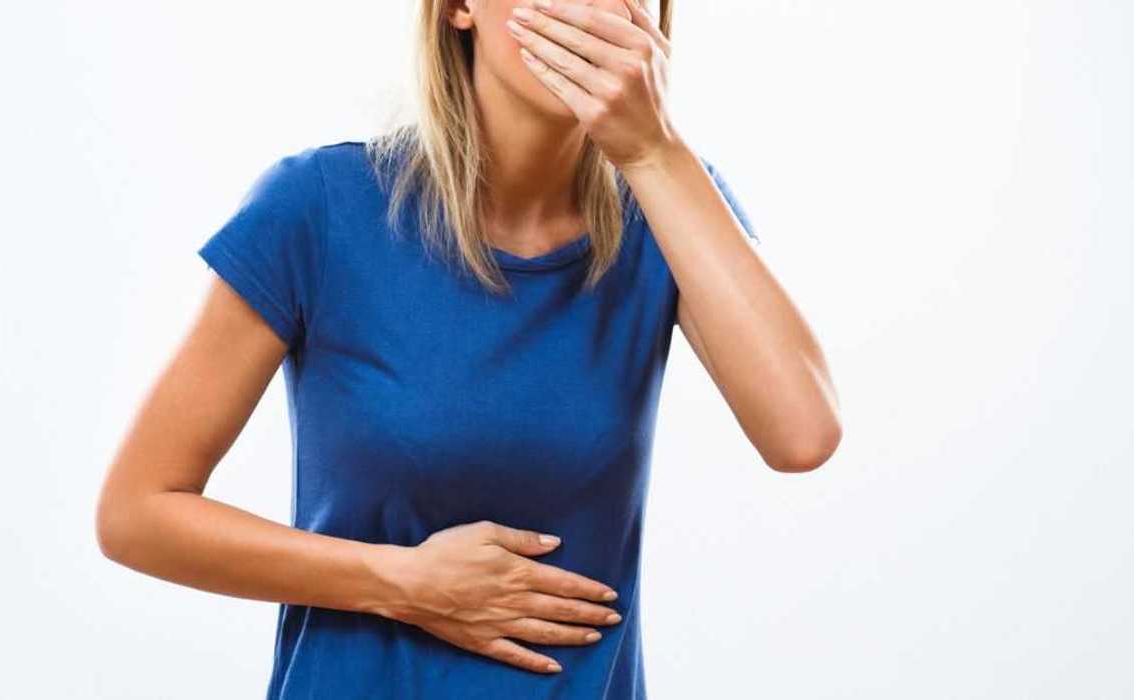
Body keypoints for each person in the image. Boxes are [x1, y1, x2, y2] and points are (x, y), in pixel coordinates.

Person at [95, 0, 842, 697]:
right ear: (457, 8)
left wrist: (653, 151)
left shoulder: (669, 208)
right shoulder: (319, 205)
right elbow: (138, 512)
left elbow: (801, 433)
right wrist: (400, 582)